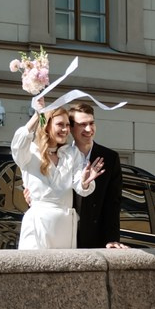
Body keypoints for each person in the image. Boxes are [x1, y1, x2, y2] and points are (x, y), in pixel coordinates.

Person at [11, 103, 103, 250]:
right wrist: (37, 114)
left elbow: (80, 187)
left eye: (68, 125)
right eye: (60, 124)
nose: (66, 129)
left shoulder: (72, 154)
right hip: (38, 224)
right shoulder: (29, 152)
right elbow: (18, 144)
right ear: (47, 126)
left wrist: (85, 182)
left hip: (64, 227)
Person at [69, 100, 126, 250]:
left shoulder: (110, 158)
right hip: (65, 235)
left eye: (91, 123)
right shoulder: (62, 155)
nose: (88, 129)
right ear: (71, 128)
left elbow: (113, 202)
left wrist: (112, 238)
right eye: (82, 124)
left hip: (95, 239)